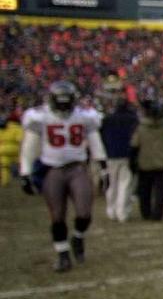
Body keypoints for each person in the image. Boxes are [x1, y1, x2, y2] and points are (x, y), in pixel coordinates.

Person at [19, 80, 109, 271]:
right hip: (53, 169)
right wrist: (25, 172)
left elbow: (95, 142)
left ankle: (78, 237)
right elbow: (29, 147)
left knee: (84, 213)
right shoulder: (40, 117)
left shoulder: (83, 116)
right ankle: (63, 255)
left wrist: (103, 166)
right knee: (57, 216)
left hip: (77, 167)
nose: (63, 106)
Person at [129, 98, 163, 220]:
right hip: (161, 162)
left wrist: (132, 162)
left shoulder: (140, 128)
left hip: (144, 163)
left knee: (144, 190)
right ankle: (158, 213)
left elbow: (134, 145)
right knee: (160, 191)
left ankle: (146, 213)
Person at [100, 94, 139, 221]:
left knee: (112, 183)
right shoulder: (133, 119)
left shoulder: (107, 119)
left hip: (111, 154)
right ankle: (122, 212)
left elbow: (102, 137)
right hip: (127, 154)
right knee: (125, 184)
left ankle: (111, 210)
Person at [0, 108, 23, 187]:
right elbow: (20, 138)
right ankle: (24, 179)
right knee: (21, 163)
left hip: (2, 149)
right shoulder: (16, 127)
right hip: (14, 149)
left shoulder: (1, 128)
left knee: (5, 167)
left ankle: (5, 182)